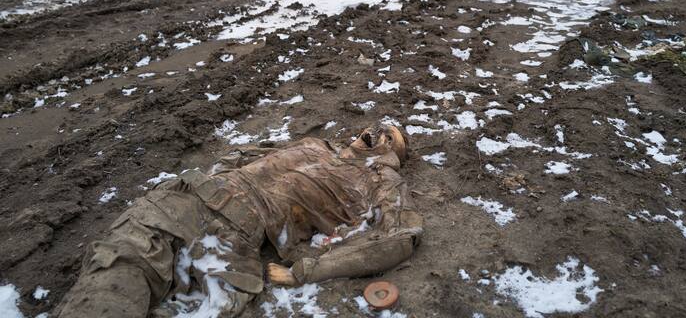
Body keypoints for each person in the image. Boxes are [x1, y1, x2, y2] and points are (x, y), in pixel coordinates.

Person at [56, 124, 423, 317]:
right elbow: (246, 154)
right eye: (379, 127)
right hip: (182, 199)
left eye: (391, 137)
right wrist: (208, 175)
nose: (377, 132)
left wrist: (308, 270)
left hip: (231, 230)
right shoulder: (316, 144)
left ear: (394, 153)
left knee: (147, 287)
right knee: (116, 268)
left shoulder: (379, 180)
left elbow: (400, 238)